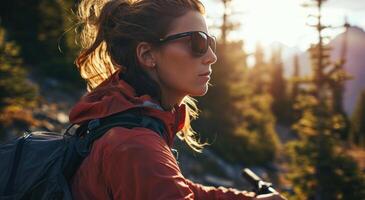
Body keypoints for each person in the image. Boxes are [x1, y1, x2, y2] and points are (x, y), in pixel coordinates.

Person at [69, 0, 287, 199]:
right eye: (197, 42)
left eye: (211, 42)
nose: (212, 56)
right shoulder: (136, 146)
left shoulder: (128, 119)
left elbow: (177, 187)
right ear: (147, 55)